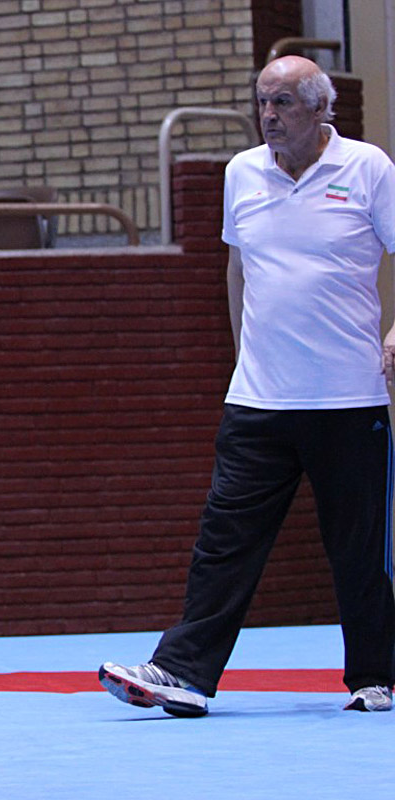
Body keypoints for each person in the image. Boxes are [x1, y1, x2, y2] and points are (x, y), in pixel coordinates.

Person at [99, 55, 395, 717]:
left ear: (320, 109)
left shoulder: (368, 168)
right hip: (258, 401)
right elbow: (238, 269)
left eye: (283, 102)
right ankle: (183, 673)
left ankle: (376, 676)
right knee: (224, 542)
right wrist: (243, 355)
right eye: (262, 101)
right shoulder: (243, 173)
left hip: (348, 400)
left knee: (358, 549)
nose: (269, 115)